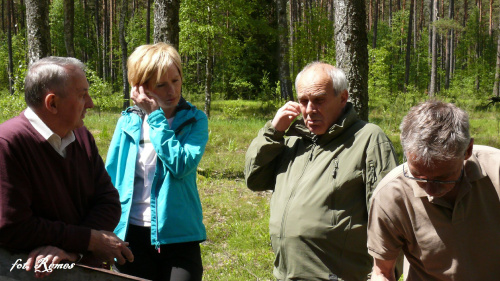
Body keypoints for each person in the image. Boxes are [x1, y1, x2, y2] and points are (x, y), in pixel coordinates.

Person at [244, 62, 398, 281]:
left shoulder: (368, 139)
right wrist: (273, 132)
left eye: (319, 100)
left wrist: (384, 272)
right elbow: (254, 178)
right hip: (286, 275)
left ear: (343, 98)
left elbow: (390, 216)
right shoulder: (292, 140)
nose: (309, 110)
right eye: (303, 101)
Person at [0, 56, 134, 278]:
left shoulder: (81, 137)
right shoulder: (8, 143)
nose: (90, 103)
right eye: (82, 95)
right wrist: (90, 240)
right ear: (52, 103)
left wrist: (73, 249)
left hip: (81, 268)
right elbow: (12, 226)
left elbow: (108, 201)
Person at [105, 42, 208, 281]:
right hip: (132, 236)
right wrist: (107, 231)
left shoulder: (194, 120)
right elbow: (111, 178)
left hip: (180, 236)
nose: (172, 91)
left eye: (176, 80)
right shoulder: (127, 123)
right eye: (161, 85)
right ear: (141, 87)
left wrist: (155, 118)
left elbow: (181, 165)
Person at [367, 100, 500, 281]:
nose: (430, 189)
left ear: (467, 150)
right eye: (418, 176)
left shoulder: (496, 171)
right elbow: (382, 272)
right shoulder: (391, 195)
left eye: (443, 178)